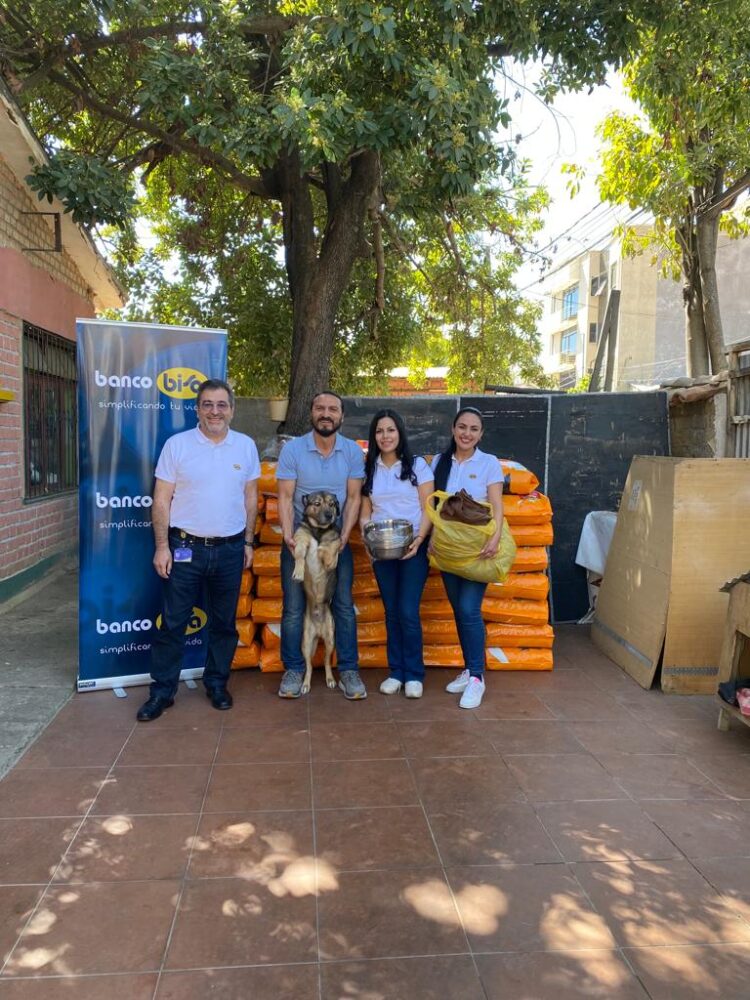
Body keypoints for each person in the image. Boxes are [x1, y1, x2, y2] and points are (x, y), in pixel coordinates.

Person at [137, 379, 260, 722]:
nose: (215, 411)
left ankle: (217, 684)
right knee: (173, 623)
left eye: (221, 404)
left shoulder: (246, 447)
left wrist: (249, 542)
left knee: (223, 624)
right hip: (185, 549)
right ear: (197, 409)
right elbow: (161, 499)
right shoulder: (177, 446)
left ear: (232, 410)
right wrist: (162, 547)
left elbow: (250, 498)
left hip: (231, 550)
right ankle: (162, 693)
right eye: (207, 404)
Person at [276, 390, 367, 699]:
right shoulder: (293, 451)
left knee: (342, 605)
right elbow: (286, 497)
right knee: (293, 608)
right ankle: (293, 670)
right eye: (320, 408)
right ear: (311, 413)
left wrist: (343, 539)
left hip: (334, 540)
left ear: (341, 416)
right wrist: (289, 537)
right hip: (300, 538)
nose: (326, 413)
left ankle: (349, 671)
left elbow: (354, 497)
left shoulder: (353, 452)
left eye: (333, 409)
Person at [431, 406, 503, 710]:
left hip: (478, 548)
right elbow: (434, 506)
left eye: (474, 429)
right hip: (449, 549)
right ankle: (468, 667)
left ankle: (477, 678)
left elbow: (497, 505)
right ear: (453, 428)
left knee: (469, 608)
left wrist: (495, 536)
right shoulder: (439, 462)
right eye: (462, 427)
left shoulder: (488, 463)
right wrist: (433, 539)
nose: (467, 433)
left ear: (481, 434)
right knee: (458, 610)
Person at [359, 409, 434, 698]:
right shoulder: (370, 468)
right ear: (374, 436)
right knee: (391, 611)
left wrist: (420, 539)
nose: (385, 436)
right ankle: (396, 672)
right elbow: (365, 512)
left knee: (407, 610)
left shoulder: (417, 466)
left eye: (390, 430)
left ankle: (414, 674)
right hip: (382, 550)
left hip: (413, 548)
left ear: (400, 433)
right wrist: (367, 537)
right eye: (380, 431)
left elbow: (429, 506)